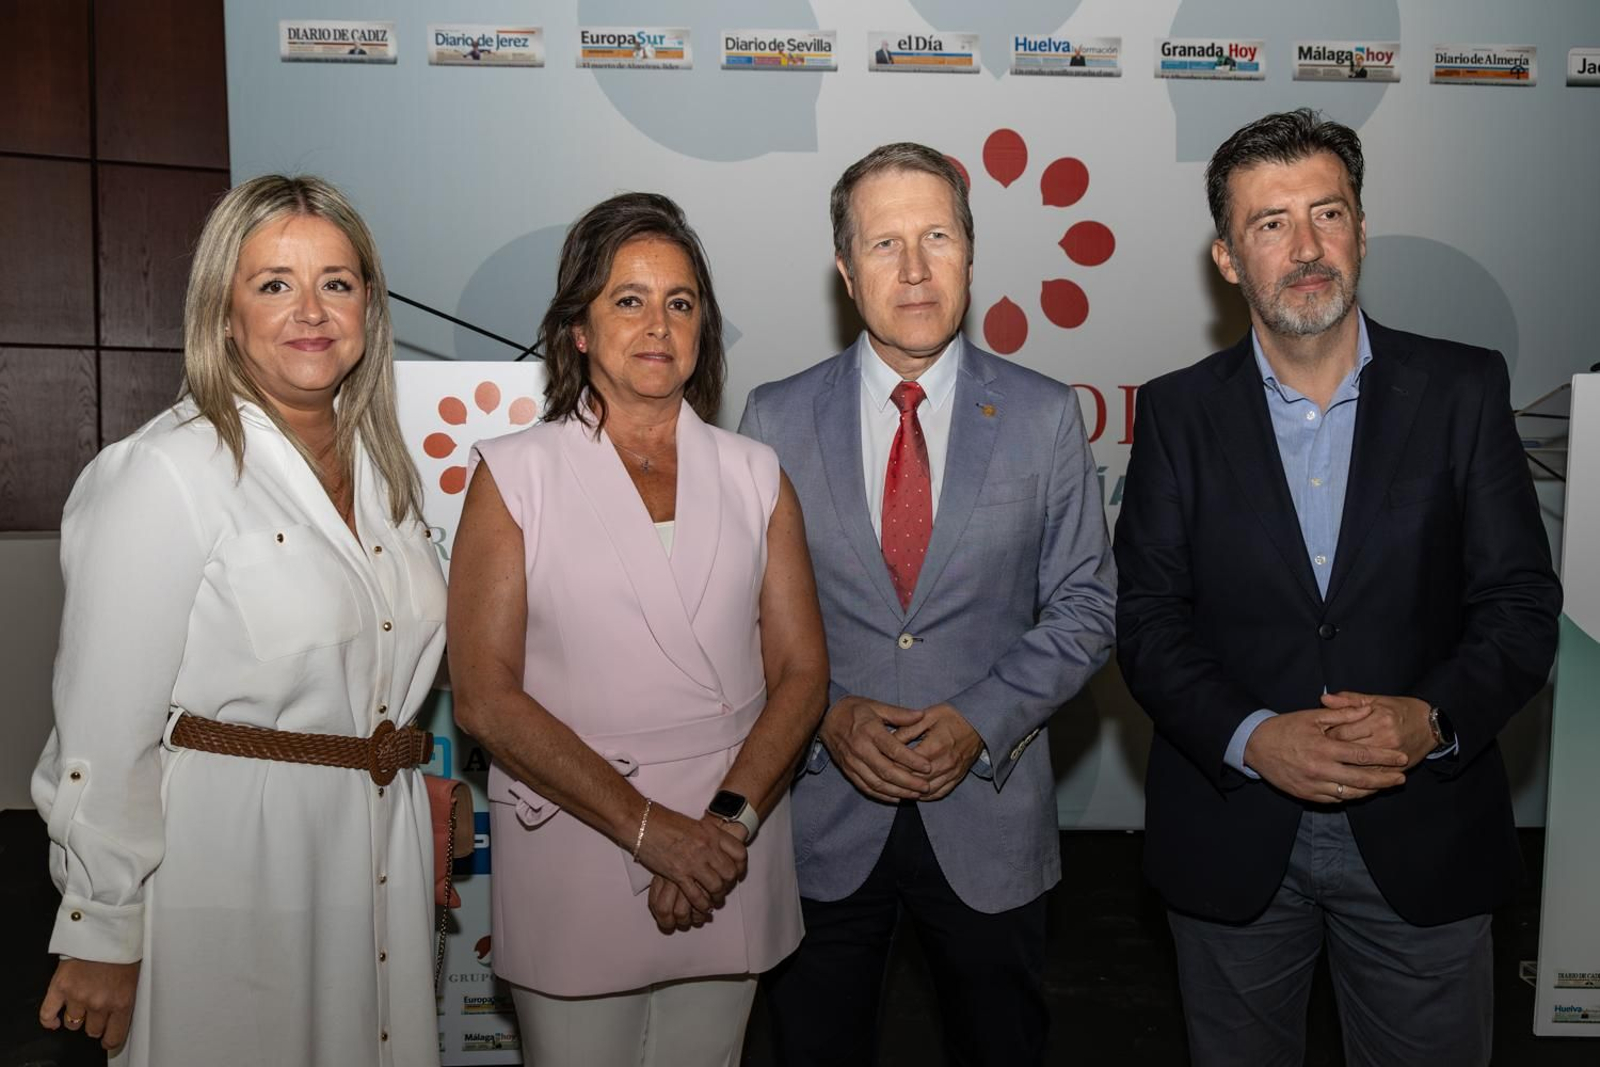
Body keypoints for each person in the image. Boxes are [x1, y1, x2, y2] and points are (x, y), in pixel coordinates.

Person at [1114, 109, 1561, 1067]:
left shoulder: (1463, 389)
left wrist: (1431, 719)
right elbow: (1148, 624)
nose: (1307, 247)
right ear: (1228, 258)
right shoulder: (1178, 412)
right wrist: (1252, 736)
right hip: (1232, 834)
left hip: (1424, 828)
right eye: (1271, 223)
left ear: (1361, 229)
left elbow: (1521, 609)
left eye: (1328, 213)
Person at [33, 175, 449, 1065]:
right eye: (274, 283)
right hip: (230, 863)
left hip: (380, 844)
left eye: (336, 282)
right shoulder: (164, 473)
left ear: (369, 309)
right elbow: (103, 726)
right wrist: (101, 926)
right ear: (224, 313)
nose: (310, 309)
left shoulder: (388, 477)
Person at [740, 142, 1117, 1065]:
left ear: (971, 254)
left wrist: (979, 720)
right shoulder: (774, 419)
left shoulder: (1043, 415)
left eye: (937, 237)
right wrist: (824, 717)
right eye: (884, 244)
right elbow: (737, 617)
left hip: (988, 816)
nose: (914, 269)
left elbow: (1085, 605)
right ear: (845, 268)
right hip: (825, 818)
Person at [447, 192, 828, 1067]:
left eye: (681, 302)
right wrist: (653, 832)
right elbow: (485, 698)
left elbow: (804, 671)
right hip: (578, 836)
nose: (658, 324)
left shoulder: (755, 472)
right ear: (579, 328)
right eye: (629, 299)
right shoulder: (516, 475)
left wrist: (721, 830)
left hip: (730, 841)